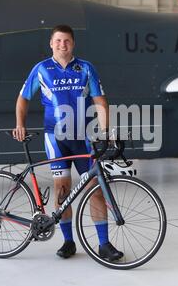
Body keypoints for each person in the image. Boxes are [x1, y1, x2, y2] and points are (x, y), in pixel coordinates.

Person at [13, 24, 123, 261]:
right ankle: (68, 242)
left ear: (73, 44)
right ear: (51, 44)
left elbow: (100, 101)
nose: (62, 45)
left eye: (67, 41)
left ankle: (104, 244)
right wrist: (20, 124)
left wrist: (105, 131)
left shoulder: (85, 68)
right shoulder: (41, 69)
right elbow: (23, 99)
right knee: (62, 192)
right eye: (58, 41)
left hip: (83, 138)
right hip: (55, 138)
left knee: (95, 189)